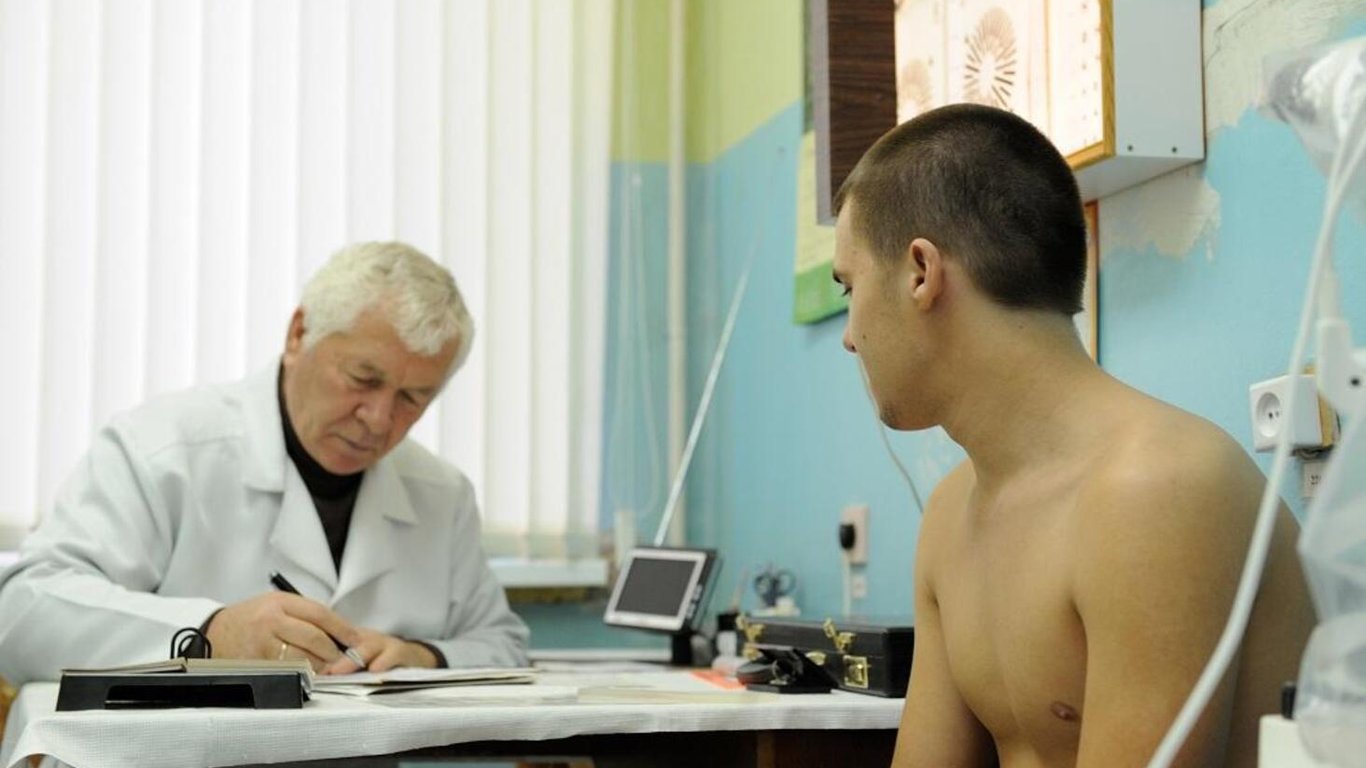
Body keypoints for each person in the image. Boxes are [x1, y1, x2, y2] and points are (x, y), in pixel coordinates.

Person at [831, 104, 1315, 767]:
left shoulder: (1156, 491)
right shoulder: (949, 516)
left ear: (921, 272)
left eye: (849, 287)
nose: (849, 337)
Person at [0, 242, 529, 684]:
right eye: (363, 379)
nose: (378, 419)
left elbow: (502, 644)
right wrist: (209, 634)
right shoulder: (162, 449)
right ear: (299, 335)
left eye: (413, 397)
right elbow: (23, 613)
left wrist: (424, 656)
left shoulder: (442, 494)